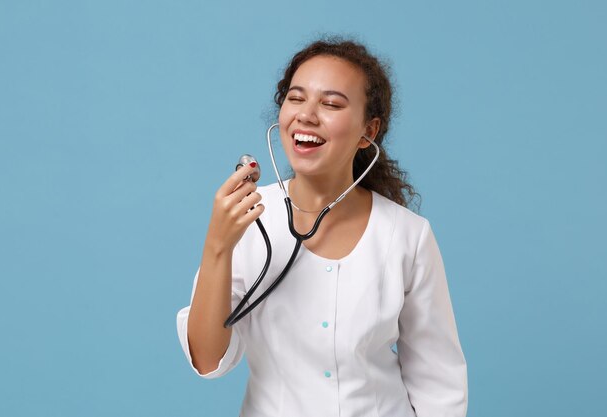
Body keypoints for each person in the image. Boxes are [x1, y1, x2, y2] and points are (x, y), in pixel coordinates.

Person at [176, 38, 468, 417]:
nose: (307, 115)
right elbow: (207, 360)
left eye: (330, 104)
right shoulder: (248, 219)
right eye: (296, 98)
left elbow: (438, 383)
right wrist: (218, 245)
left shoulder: (407, 235)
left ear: (368, 132)